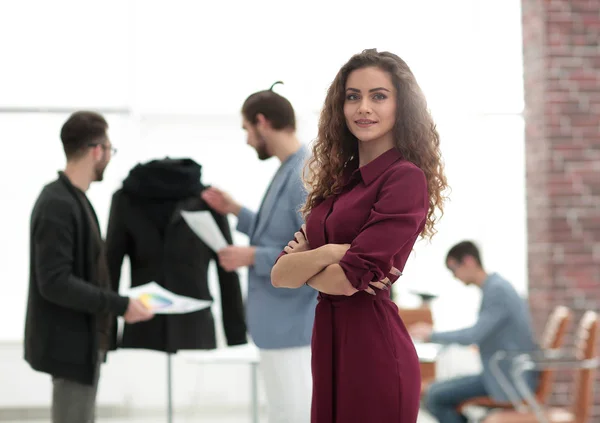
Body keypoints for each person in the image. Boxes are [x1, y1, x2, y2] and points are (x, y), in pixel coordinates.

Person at [270, 49, 448, 422]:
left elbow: (347, 281)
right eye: (353, 96)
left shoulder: (405, 178)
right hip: (328, 343)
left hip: (374, 351)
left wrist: (311, 264)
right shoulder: (340, 181)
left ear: (402, 106)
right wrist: (331, 252)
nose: (363, 107)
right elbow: (279, 275)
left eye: (378, 96)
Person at [24, 111, 154, 423]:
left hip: (82, 342)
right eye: (109, 149)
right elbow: (54, 281)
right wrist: (120, 305)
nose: (109, 156)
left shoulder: (74, 199)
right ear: (97, 150)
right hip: (69, 346)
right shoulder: (58, 203)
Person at [201, 83, 314, 423]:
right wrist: (235, 209)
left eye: (247, 130)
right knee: (282, 411)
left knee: (292, 413)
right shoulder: (288, 167)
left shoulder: (304, 172)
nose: (248, 139)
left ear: (262, 122)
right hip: (279, 325)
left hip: (293, 325)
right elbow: (281, 233)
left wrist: (252, 257)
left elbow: (313, 252)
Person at [409, 241, 539, 423]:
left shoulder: (497, 290)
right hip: (502, 372)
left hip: (505, 378)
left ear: (469, 261)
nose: (455, 277)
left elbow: (473, 335)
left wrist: (431, 335)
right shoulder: (495, 286)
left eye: (454, 269)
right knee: (437, 389)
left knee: (434, 395)